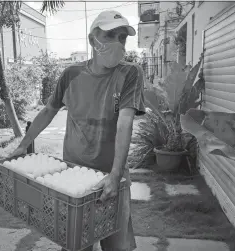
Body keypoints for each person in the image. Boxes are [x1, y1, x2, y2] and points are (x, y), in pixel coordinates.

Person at [8, 10, 145, 251]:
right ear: (93, 40)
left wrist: (114, 176)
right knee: (76, 245)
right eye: (111, 35)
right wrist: (23, 144)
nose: (118, 43)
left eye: (122, 37)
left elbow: (125, 123)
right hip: (72, 181)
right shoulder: (71, 74)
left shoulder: (130, 73)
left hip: (111, 178)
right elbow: (48, 111)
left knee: (118, 247)